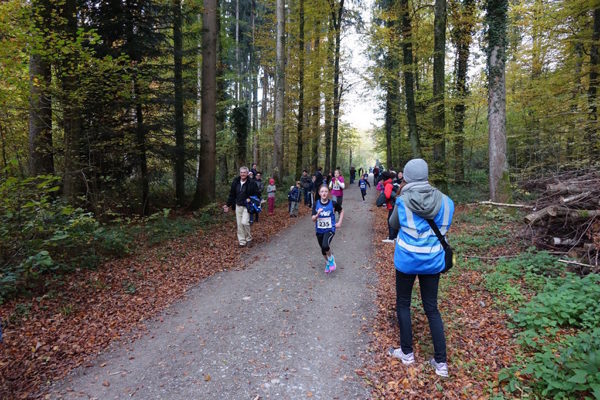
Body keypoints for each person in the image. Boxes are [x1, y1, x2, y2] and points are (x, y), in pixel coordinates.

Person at [387, 158, 454, 378]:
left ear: (407, 177)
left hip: (407, 260)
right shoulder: (446, 202)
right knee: (432, 308)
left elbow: (393, 224)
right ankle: (441, 363)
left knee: (403, 304)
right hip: (433, 261)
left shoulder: (402, 201)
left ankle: (407, 353)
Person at [224, 166, 260, 247]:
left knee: (245, 222)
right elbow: (232, 195)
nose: (243, 174)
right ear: (239, 173)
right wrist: (227, 205)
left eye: (244, 172)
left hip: (247, 206)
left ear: (247, 173)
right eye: (241, 172)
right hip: (238, 205)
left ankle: (249, 239)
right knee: (239, 225)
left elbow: (257, 194)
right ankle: (242, 242)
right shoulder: (236, 182)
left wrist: (250, 198)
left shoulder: (252, 183)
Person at [311, 184, 344, 274]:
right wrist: (317, 215)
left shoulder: (333, 203)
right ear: (319, 193)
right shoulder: (316, 204)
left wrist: (339, 222)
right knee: (323, 249)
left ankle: (331, 259)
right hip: (319, 230)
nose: (324, 193)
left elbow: (341, 211)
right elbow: (313, 219)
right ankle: (327, 263)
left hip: (330, 229)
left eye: (326, 191)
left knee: (325, 246)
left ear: (328, 193)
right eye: (322, 191)